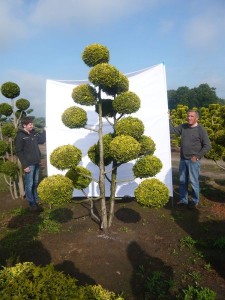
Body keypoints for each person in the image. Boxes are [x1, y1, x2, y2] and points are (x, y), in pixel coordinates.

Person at [169, 110, 211, 208]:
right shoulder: (183, 127)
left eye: (192, 116)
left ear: (196, 118)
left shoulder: (201, 130)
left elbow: (207, 145)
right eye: (188, 116)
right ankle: (184, 200)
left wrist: (197, 156)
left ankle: (195, 201)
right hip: (183, 159)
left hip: (193, 161)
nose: (189, 118)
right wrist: (169, 119)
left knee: (193, 181)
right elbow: (171, 131)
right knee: (182, 181)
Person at [15, 117, 46, 211]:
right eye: (30, 124)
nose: (32, 125)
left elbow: (42, 140)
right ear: (24, 125)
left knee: (35, 182)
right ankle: (32, 203)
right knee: (29, 184)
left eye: (32, 124)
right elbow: (19, 152)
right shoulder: (20, 136)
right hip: (29, 164)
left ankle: (36, 198)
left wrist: (44, 131)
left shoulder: (33, 134)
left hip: (37, 162)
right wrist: (25, 165)